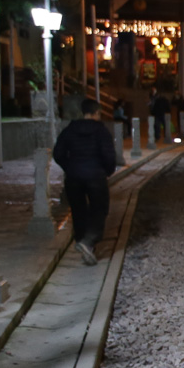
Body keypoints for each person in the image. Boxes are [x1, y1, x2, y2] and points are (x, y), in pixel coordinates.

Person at [52, 98, 118, 265]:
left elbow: (58, 153)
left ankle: (83, 243)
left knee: (78, 211)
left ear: (83, 112)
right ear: (97, 113)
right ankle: (88, 242)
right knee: (99, 209)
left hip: (74, 178)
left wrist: (70, 167)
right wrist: (107, 171)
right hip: (95, 176)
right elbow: (109, 156)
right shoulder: (101, 131)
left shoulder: (70, 130)